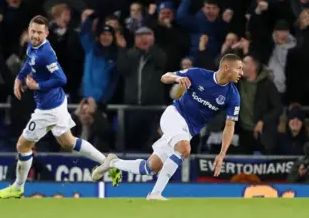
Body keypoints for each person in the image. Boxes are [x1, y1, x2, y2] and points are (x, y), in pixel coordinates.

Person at [0, 15, 121, 199]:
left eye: (39, 32)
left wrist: (38, 86)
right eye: (33, 31)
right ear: (29, 31)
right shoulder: (32, 47)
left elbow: (62, 79)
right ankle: (108, 164)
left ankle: (18, 187)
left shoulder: (46, 53)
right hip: (57, 103)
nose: (36, 35)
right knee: (68, 142)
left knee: (22, 145)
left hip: (49, 109)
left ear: (46, 33)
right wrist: (19, 79)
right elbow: (29, 63)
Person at [91, 54, 243, 200]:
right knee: (184, 149)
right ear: (226, 67)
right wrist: (178, 78)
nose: (241, 73)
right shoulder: (198, 74)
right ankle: (155, 194)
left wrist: (222, 154)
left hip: (188, 131)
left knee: (150, 168)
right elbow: (164, 77)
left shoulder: (233, 95)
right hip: (174, 116)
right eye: (239, 68)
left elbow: (230, 126)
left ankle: (112, 163)